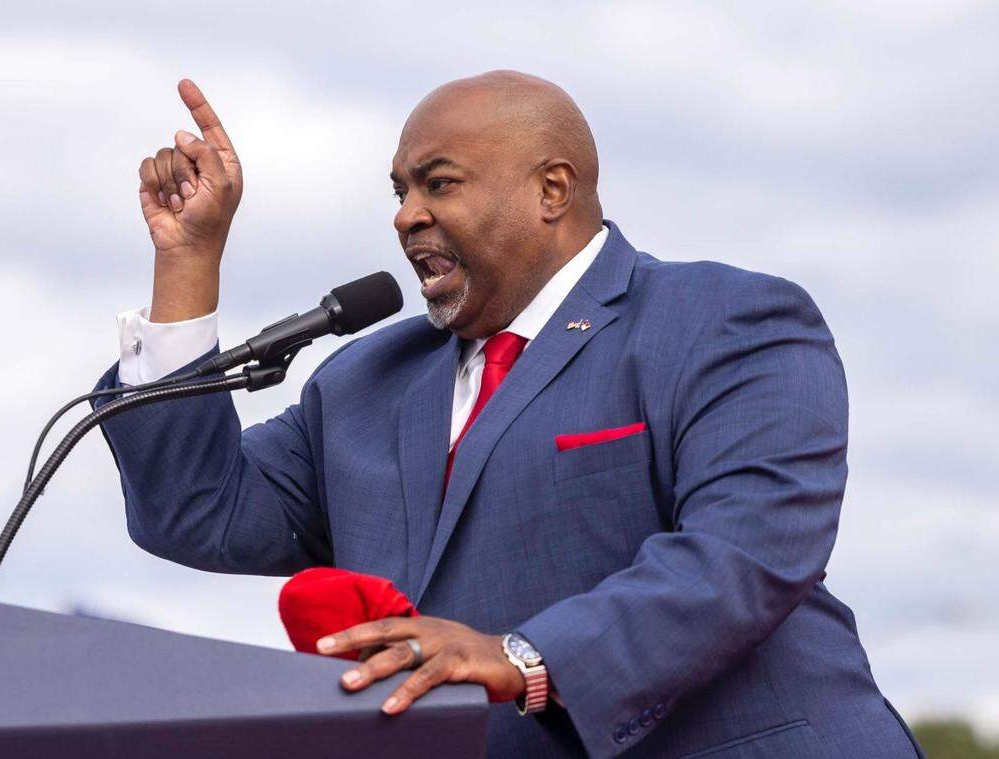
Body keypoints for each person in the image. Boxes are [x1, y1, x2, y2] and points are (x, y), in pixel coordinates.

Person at [97, 71, 923, 757]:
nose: (404, 213)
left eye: (438, 182)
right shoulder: (362, 383)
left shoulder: (723, 319)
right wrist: (187, 262)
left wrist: (520, 655)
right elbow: (194, 511)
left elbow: (744, 553)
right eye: (399, 190)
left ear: (551, 189)